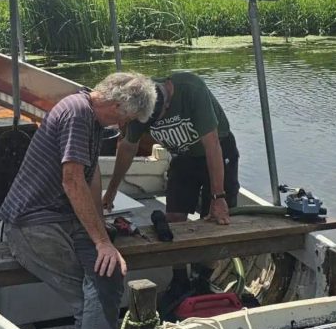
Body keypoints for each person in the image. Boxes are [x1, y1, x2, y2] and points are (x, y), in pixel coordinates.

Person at [0, 72, 157, 329]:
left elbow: (90, 173)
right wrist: (102, 242)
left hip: (65, 218)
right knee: (89, 299)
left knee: (109, 276)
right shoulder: (77, 113)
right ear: (117, 106)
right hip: (32, 222)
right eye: (127, 118)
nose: (123, 125)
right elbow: (71, 180)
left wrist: (99, 224)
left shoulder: (94, 120)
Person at [102, 71, 239, 295]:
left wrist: (218, 197)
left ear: (165, 106)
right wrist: (112, 191)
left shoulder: (191, 89)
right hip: (182, 156)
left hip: (217, 151)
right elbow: (128, 147)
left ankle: (202, 279)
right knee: (174, 218)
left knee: (216, 221)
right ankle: (180, 279)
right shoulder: (140, 100)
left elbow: (213, 145)